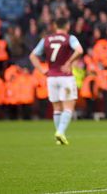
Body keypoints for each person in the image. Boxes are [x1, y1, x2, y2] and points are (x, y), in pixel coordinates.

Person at [29, 17, 84, 145]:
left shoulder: (46, 40)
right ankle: (60, 132)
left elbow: (32, 56)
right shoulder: (69, 38)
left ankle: (59, 137)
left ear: (55, 26)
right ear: (67, 26)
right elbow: (79, 50)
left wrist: (42, 70)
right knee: (68, 107)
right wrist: (69, 62)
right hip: (65, 77)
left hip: (51, 77)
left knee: (57, 108)